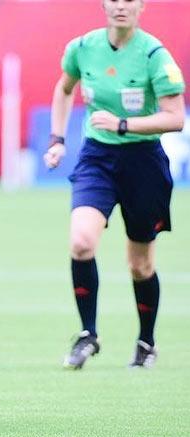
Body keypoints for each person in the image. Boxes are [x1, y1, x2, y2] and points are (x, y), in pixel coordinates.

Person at [44, 0, 185, 370]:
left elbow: (175, 118)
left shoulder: (154, 54)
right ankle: (88, 335)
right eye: (114, 0)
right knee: (81, 242)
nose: (121, 6)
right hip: (97, 158)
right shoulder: (82, 48)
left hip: (144, 164)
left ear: (142, 7)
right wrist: (57, 139)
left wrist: (124, 124)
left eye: (129, 0)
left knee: (140, 265)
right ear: (104, 5)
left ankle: (146, 342)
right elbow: (64, 89)